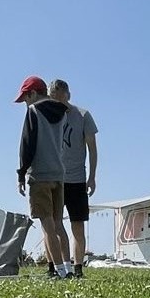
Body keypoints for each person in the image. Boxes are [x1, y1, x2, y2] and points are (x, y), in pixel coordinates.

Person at [14, 75, 74, 279]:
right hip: (59, 175)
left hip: (40, 175)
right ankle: (69, 267)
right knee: (58, 224)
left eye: (25, 98)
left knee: (46, 224)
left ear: (33, 94)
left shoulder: (33, 112)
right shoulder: (63, 114)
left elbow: (27, 146)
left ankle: (60, 272)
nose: (25, 103)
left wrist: (21, 174)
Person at [50, 79, 98, 279]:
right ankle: (56, 267)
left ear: (68, 94)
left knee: (77, 225)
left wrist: (92, 176)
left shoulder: (83, 115)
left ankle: (78, 268)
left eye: (61, 97)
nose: (59, 102)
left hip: (77, 179)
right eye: (54, 98)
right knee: (52, 224)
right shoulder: (47, 116)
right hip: (54, 178)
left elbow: (92, 148)